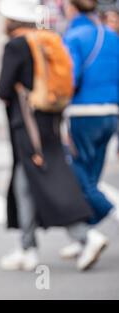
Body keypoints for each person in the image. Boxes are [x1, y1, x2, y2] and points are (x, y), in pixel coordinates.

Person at [0, 0, 108, 272]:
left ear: (11, 20)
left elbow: (2, 89)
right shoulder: (47, 39)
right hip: (49, 119)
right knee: (27, 184)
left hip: (27, 124)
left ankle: (85, 235)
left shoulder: (16, 45)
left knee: (47, 182)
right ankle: (27, 248)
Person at [63, 0, 119, 233]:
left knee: (78, 174)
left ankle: (107, 208)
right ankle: (88, 235)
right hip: (111, 113)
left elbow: (71, 78)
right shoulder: (111, 36)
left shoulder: (74, 36)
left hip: (83, 113)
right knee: (93, 174)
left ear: (73, 8)